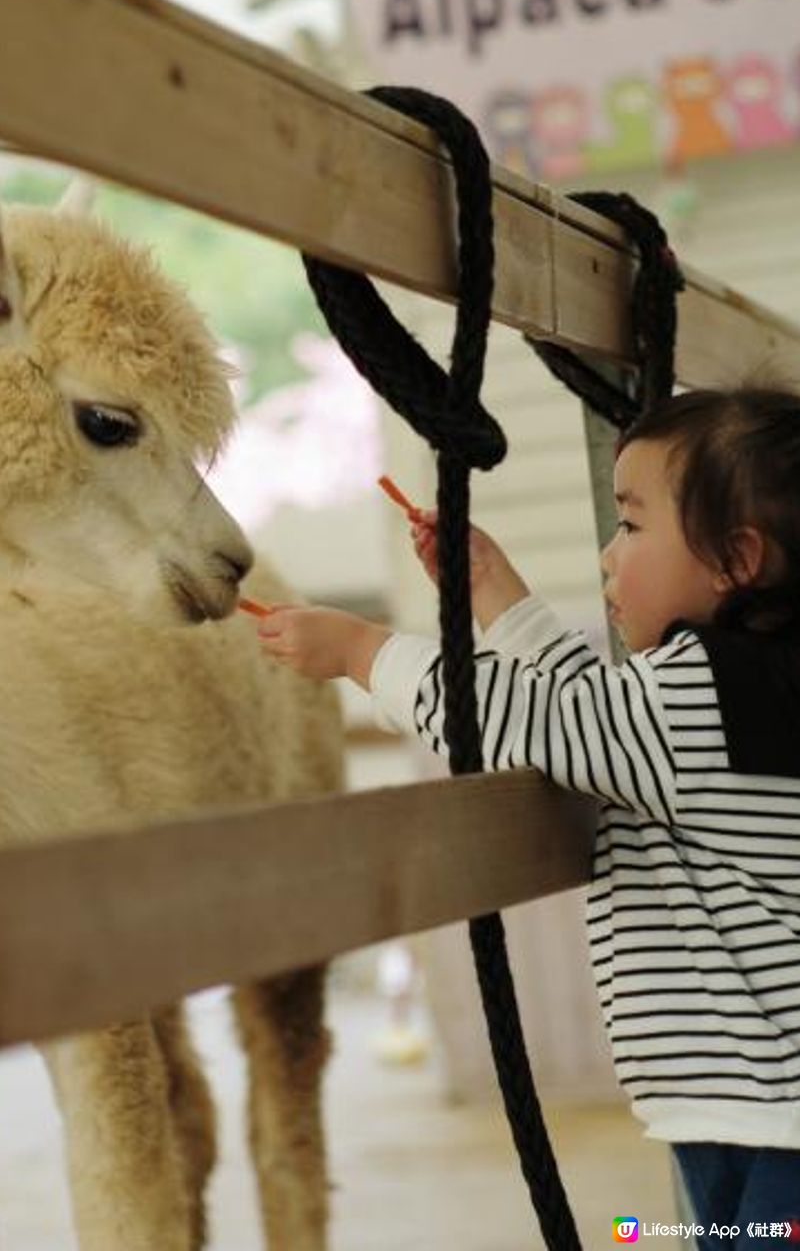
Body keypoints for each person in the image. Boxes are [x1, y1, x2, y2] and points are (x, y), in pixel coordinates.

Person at [258, 387, 800, 1249]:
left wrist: (363, 654)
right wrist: (492, 590)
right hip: (753, 1109)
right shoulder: (743, 692)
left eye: (630, 525)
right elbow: (592, 716)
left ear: (735, 559)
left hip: (776, 1127)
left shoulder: (707, 697)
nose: (606, 555)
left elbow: (543, 721)